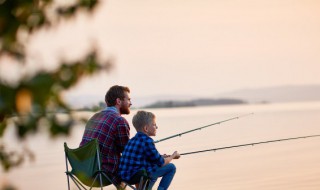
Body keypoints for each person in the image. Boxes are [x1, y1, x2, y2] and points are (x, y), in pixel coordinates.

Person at [79, 85, 132, 188]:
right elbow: (127, 152)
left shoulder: (94, 117)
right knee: (142, 167)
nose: (131, 103)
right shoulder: (119, 121)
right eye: (128, 100)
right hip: (102, 174)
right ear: (118, 101)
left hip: (83, 171)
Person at [119, 110, 180, 190]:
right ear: (146, 128)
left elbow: (143, 157)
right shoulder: (147, 141)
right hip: (137, 175)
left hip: (125, 176)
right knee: (171, 167)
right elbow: (161, 163)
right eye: (154, 125)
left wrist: (161, 156)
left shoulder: (132, 140)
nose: (156, 127)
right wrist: (173, 156)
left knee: (153, 166)